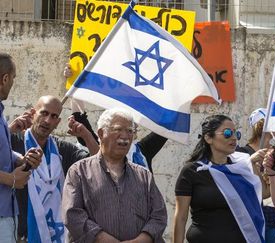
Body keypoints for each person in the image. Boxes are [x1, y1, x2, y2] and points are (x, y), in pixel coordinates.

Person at [62, 108, 167, 242]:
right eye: (118, 129)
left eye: (130, 131)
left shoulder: (144, 176)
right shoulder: (79, 171)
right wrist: (102, 238)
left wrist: (141, 240)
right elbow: (72, 214)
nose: (125, 136)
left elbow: (159, 215)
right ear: (101, 133)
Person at [9, 95, 99, 242]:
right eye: (44, 113)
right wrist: (8, 131)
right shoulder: (13, 141)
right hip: (20, 235)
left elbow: (97, 163)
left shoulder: (62, 150)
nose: (47, 121)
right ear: (32, 114)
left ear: (57, 123)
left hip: (57, 236)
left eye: (53, 116)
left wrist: (86, 134)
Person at [174, 114, 265, 243]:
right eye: (227, 133)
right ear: (208, 138)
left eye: (236, 134)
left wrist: (257, 167)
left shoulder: (241, 169)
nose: (234, 138)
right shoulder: (192, 171)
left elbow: (263, 194)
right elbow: (181, 217)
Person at [0, 53, 43, 242]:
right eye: (14, 78)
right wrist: (11, 178)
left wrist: (21, 159)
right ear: (5, 78)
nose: (12, 84)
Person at [237, 108, 275, 243]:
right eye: (274, 121)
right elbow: (261, 193)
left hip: (272, 219)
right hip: (252, 219)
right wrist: (251, 163)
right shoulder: (241, 154)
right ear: (263, 125)